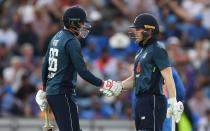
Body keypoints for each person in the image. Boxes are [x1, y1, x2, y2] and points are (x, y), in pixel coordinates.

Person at [35, 6, 117, 131]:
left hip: (54, 92)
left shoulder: (56, 36)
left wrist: (46, 88)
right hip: (63, 93)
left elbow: (45, 64)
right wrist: (102, 83)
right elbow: (82, 71)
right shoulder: (72, 41)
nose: (84, 25)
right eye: (82, 22)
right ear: (74, 22)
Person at [100, 13, 184, 131]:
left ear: (149, 30)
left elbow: (168, 76)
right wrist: (119, 85)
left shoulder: (157, 49)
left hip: (153, 100)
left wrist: (172, 100)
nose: (135, 32)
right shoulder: (140, 52)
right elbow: (136, 78)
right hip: (141, 101)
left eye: (138, 29)